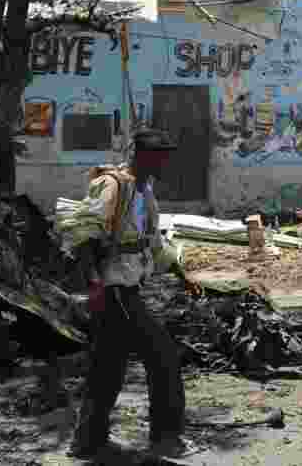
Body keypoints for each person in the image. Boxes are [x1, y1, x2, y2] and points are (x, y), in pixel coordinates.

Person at [71, 135, 199, 461]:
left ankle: (88, 441)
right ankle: (166, 438)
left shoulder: (145, 191)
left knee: (107, 368)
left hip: (126, 288)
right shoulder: (113, 185)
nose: (164, 163)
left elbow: (153, 243)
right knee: (164, 357)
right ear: (141, 156)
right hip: (114, 290)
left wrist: (182, 275)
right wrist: (95, 284)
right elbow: (84, 233)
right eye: (159, 157)